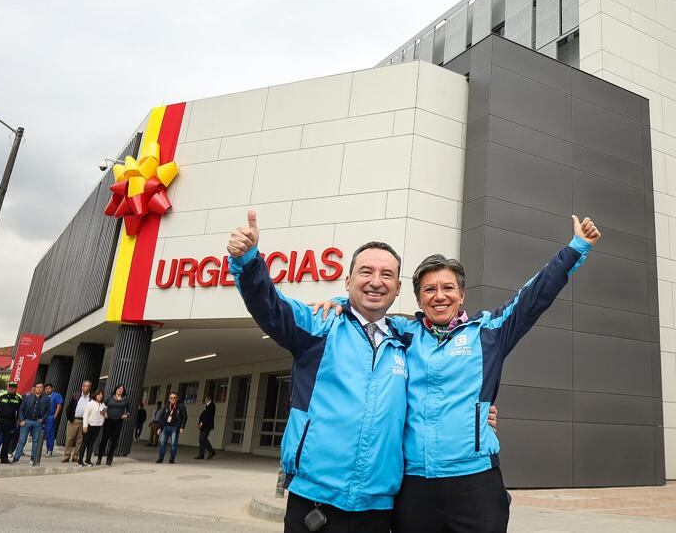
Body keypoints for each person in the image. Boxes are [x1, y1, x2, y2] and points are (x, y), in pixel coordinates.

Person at [313, 214, 601, 533]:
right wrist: (340, 302)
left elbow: (535, 296)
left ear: (461, 295)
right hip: (414, 485)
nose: (439, 296)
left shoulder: (489, 332)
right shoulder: (400, 333)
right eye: (429, 289)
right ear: (418, 298)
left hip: (475, 482)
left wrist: (577, 247)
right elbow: (367, 310)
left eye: (448, 288)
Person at [227, 210, 410, 533]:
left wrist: (481, 413)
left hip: (378, 507)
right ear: (348, 281)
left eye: (387, 274)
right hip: (313, 503)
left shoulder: (408, 341)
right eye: (366, 271)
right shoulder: (319, 324)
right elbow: (271, 307)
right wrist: (249, 262)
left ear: (397, 287)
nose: (376, 281)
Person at [12, 382, 49, 466]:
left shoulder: (46, 399)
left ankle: (33, 459)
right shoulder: (28, 398)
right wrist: (21, 420)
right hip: (26, 421)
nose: (39, 389)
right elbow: (21, 409)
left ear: (43, 389)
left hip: (37, 422)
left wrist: (42, 419)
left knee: (36, 441)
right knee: (21, 440)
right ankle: (16, 458)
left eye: (40, 387)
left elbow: (48, 411)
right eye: (37, 387)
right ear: (35, 388)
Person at [96, 383, 130, 466]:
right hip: (108, 421)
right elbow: (102, 407)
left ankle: (109, 458)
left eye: (121, 389)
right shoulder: (109, 398)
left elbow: (129, 411)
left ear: (123, 391)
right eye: (119, 389)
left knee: (114, 442)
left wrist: (126, 415)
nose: (120, 390)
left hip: (118, 422)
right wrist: (104, 414)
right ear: (116, 389)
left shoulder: (125, 400)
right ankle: (99, 458)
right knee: (104, 440)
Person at [0, 382, 21, 463]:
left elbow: (20, 410)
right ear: (8, 388)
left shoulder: (18, 398)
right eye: (10, 387)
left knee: (7, 441)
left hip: (10, 423)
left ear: (16, 388)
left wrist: (18, 419)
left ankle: (4, 458)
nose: (11, 388)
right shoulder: (1, 395)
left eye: (13, 387)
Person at [62, 380, 93, 463]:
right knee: (69, 438)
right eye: (84, 386)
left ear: (90, 388)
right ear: (82, 387)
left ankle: (76, 456)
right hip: (74, 420)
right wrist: (70, 417)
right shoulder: (76, 395)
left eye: (88, 386)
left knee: (80, 440)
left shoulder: (92, 398)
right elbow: (69, 407)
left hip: (84, 421)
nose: (86, 388)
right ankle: (67, 455)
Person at [155, 391, 187, 464]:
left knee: (173, 444)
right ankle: (160, 458)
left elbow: (184, 417)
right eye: (171, 398)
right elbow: (161, 418)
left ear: (177, 399)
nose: (173, 399)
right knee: (162, 443)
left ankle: (172, 459)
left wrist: (182, 427)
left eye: (174, 398)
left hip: (175, 427)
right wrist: (159, 428)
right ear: (169, 399)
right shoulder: (166, 406)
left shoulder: (181, 406)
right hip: (166, 427)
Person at [79, 389, 106, 467]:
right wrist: (85, 426)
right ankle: (79, 461)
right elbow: (85, 415)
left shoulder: (103, 405)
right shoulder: (90, 403)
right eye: (99, 394)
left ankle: (88, 460)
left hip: (97, 426)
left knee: (91, 443)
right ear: (95, 395)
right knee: (84, 443)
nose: (100, 396)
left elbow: (106, 415)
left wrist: (104, 414)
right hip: (89, 425)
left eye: (102, 395)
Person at [43, 383, 63, 458]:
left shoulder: (56, 395)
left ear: (52, 388)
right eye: (46, 389)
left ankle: (49, 450)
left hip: (50, 416)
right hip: (43, 417)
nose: (47, 390)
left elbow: (59, 405)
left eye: (49, 388)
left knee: (50, 434)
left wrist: (55, 416)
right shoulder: (44, 396)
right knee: (42, 434)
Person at [195, 395, 216, 460]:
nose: (204, 401)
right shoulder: (207, 406)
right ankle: (201, 454)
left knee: (203, 438)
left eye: (205, 399)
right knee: (201, 439)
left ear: (208, 399)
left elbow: (207, 416)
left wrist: (201, 423)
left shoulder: (211, 405)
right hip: (204, 425)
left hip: (206, 425)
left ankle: (211, 451)